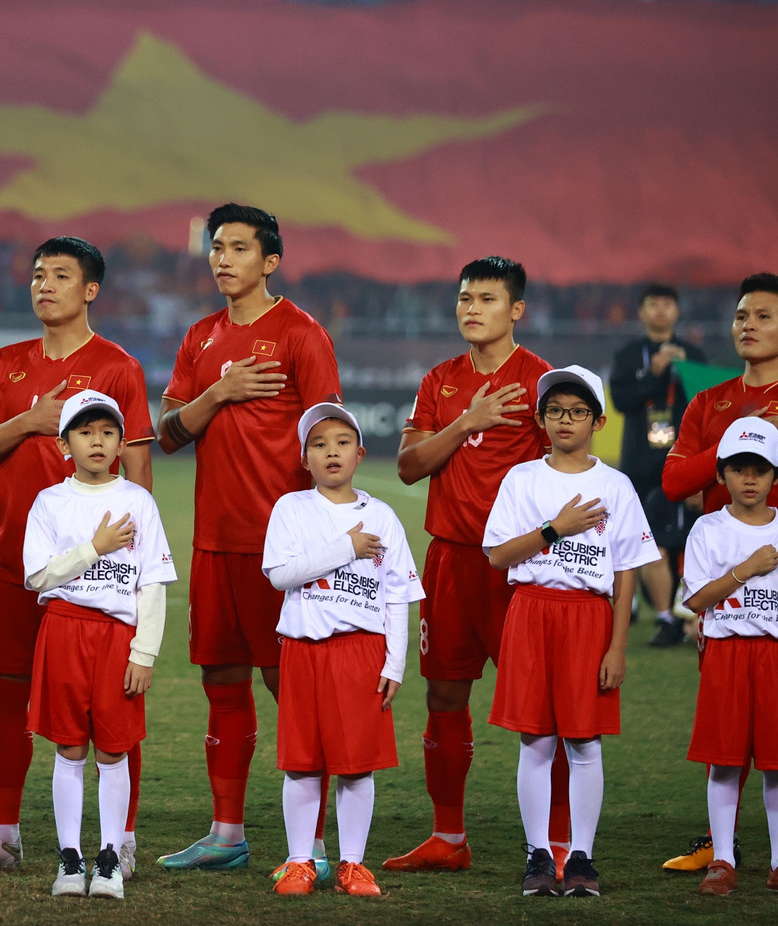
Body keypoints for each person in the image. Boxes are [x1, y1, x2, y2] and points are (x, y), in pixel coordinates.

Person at [0, 237, 155, 876]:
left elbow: (139, 476)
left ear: (90, 290)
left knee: (112, 707)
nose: (45, 285)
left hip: (99, 579)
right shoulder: (5, 364)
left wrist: (136, 572)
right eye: (38, 274)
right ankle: (2, 835)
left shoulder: (118, 367)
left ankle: (120, 839)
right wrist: (31, 423)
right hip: (18, 567)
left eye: (61, 275)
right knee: (5, 695)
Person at [156, 203, 342, 874]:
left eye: (239, 247)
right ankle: (227, 834)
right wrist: (220, 392)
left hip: (281, 550)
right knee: (223, 681)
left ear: (270, 261)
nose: (223, 258)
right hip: (214, 542)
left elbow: (330, 439)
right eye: (217, 247)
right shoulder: (201, 337)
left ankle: (312, 846)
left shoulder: (301, 335)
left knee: (291, 689)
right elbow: (167, 433)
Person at [385, 257, 575, 875]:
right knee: (444, 694)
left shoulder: (542, 382)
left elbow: (568, 469)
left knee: (540, 707)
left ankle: (558, 841)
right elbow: (408, 465)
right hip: (449, 562)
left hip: (521, 569)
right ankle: (448, 836)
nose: (471, 308)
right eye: (465, 297)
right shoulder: (441, 379)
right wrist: (468, 421)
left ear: (516, 310)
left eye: (487, 299)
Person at [660, 272, 778, 881]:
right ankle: (723, 845)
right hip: (726, 592)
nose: (748, 325)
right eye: (741, 315)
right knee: (727, 723)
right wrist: (737, 434)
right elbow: (674, 483)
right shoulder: (709, 404)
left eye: (764, 316)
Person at [483, 365, 658, 897]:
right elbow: (497, 555)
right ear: (541, 419)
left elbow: (626, 572)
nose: (565, 420)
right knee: (535, 739)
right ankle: (538, 855)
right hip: (531, 610)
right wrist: (554, 529)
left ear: (597, 421)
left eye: (578, 411)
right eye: (555, 410)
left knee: (584, 740)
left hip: (588, 616)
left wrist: (618, 646)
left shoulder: (615, 485)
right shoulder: (522, 479)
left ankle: (581, 856)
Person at [264, 403, 424, 898]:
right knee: (302, 762)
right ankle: (300, 862)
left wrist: (395, 663)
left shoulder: (382, 516)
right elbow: (280, 574)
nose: (331, 452)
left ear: (360, 453)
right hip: (302, 650)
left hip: (361, 652)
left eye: (341, 442)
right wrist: (346, 549)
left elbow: (398, 595)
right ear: (304, 458)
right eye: (318, 444)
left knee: (356, 765)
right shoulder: (291, 508)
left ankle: (353, 864)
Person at [21, 390, 176, 899]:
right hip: (64, 629)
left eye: (108, 432)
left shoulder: (138, 501)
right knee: (69, 747)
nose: (97, 441)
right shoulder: (50, 501)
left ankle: (109, 857)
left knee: (113, 749)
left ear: (121, 443)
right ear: (64, 444)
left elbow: (153, 582)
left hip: (117, 637)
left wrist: (144, 653)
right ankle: (70, 859)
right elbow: (38, 575)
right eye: (85, 432)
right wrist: (94, 548)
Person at [683, 418, 778, 897]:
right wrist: (745, 570)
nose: (750, 479)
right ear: (721, 474)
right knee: (724, 763)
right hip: (726, 654)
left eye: (760, 470)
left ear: (776, 476)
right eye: (739, 469)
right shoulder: (707, 528)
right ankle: (722, 861)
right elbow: (696, 599)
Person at [608, 283, 707, 646]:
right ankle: (648, 608)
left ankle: (681, 614)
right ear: (642, 312)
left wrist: (685, 370)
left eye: (667, 303)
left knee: (682, 538)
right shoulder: (628, 355)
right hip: (638, 463)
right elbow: (620, 400)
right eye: (653, 304)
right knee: (637, 537)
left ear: (677, 311)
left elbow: (705, 403)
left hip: (682, 462)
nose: (661, 310)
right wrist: (653, 373)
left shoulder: (693, 354)